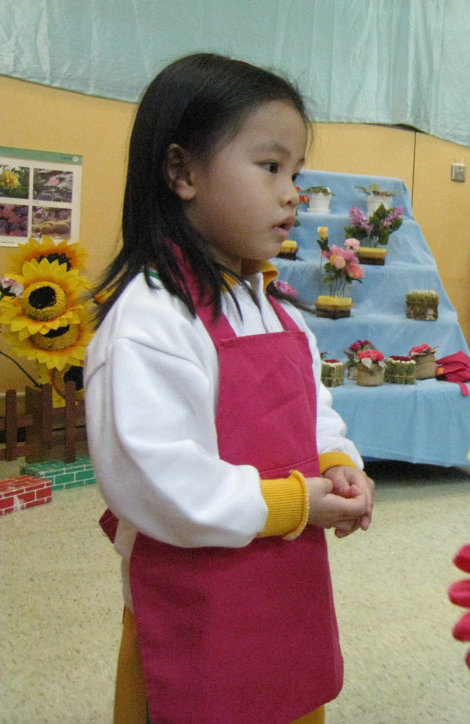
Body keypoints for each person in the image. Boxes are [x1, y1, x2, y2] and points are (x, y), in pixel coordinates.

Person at [86, 53, 375, 724]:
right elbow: (160, 481)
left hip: (285, 589)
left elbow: (315, 413)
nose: (292, 193)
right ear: (183, 172)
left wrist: (338, 463)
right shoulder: (152, 319)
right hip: (199, 609)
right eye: (270, 167)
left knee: (288, 694)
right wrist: (295, 502)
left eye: (296, 173)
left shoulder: (275, 310)